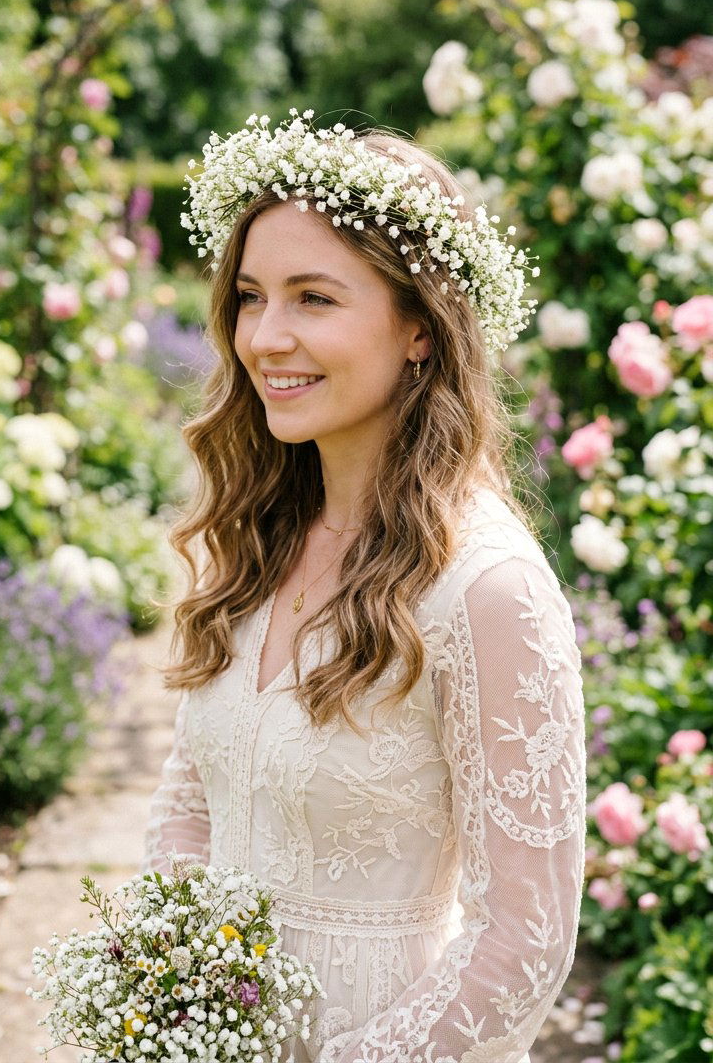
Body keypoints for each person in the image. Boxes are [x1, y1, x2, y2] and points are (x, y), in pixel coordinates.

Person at [141, 110, 587, 1063]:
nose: (266, 337)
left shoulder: (488, 590)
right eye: (251, 297)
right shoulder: (258, 541)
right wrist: (166, 1001)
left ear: (419, 327)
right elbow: (192, 805)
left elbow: (525, 942)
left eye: (314, 298)